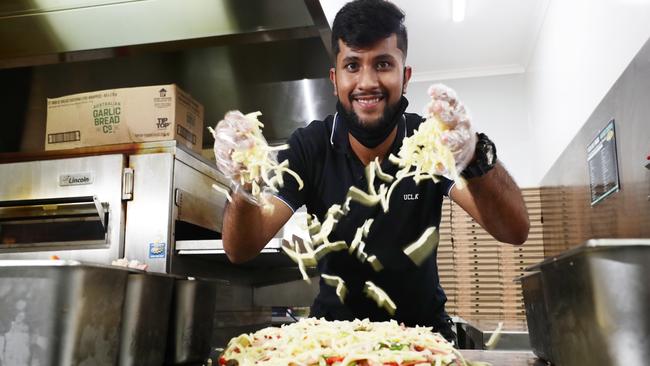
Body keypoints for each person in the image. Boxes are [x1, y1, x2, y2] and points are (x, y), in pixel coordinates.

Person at [213, 0, 529, 341]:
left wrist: (475, 155)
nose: (367, 82)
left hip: (423, 340)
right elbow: (239, 249)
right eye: (352, 65)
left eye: (382, 64)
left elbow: (514, 231)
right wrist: (242, 185)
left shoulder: (429, 141)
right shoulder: (309, 146)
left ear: (405, 77)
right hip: (331, 344)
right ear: (334, 79)